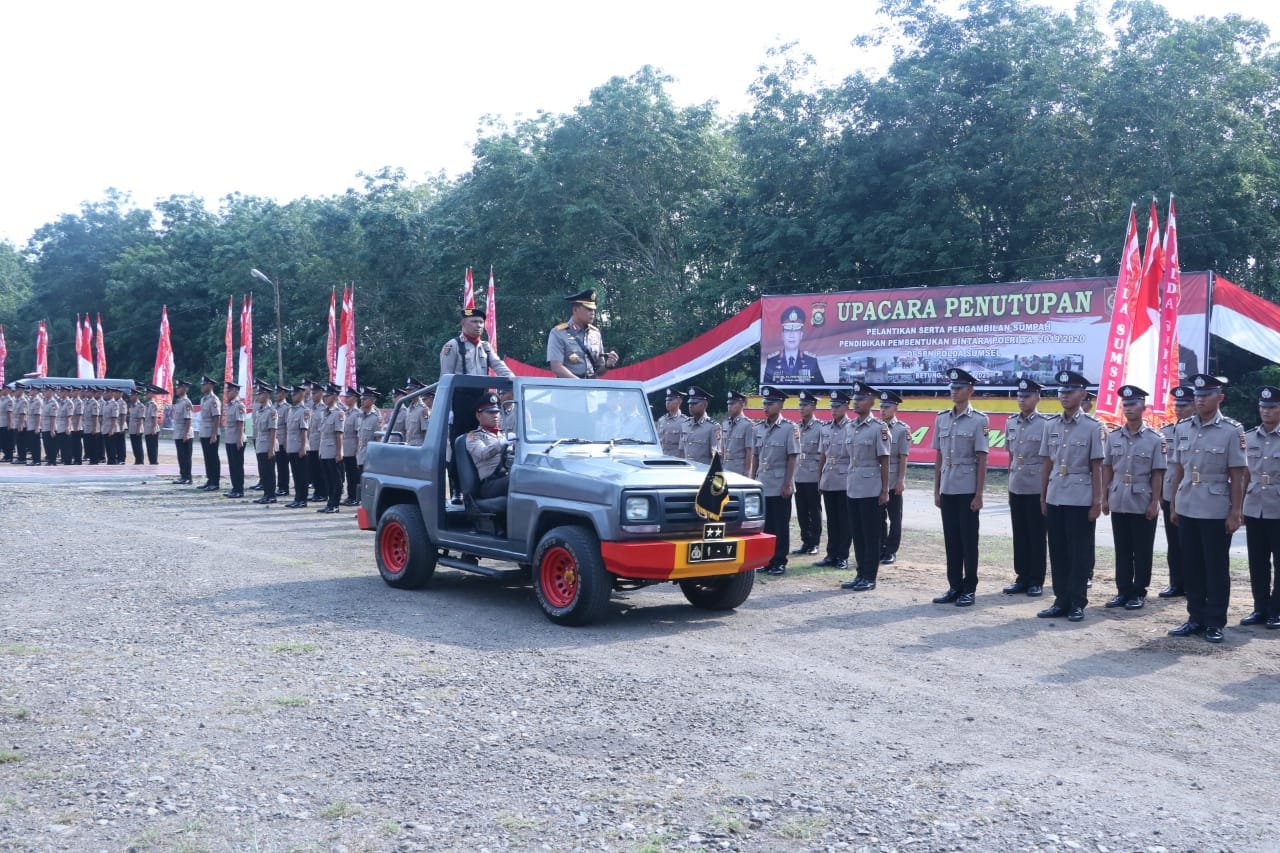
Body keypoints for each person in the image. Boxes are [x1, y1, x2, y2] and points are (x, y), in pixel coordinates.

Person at [1167, 374, 1247, 644]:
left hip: (1215, 507)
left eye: (1206, 395)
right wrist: (1174, 503)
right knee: (1191, 565)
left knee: (1215, 567)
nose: (1200, 400)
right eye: (1197, 396)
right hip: (1187, 502)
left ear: (1220, 397)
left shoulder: (1231, 430)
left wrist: (1236, 511)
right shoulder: (1183, 428)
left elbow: (1238, 475)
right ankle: (1195, 617)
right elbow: (1178, 469)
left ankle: (1215, 621)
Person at [1037, 370, 1105, 623]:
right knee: (1057, 550)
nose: (1064, 396)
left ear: (1083, 394)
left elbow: (1098, 466)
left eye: (1070, 392)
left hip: (1080, 496)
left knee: (1079, 552)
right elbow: (1046, 463)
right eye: (1061, 392)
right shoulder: (1050, 425)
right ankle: (1060, 600)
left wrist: (1097, 501)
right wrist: (1043, 496)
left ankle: (1077, 602)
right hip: (1055, 493)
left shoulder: (1093, 427)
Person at [1100, 385, 1166, 611]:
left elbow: (1158, 473)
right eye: (1125, 405)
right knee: (1123, 548)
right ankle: (1123, 590)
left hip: (1142, 497)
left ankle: (1139, 592)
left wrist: (1155, 501)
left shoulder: (1155, 439)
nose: (1128, 408)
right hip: (1119, 496)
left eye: (1133, 404)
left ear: (1144, 408)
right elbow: (1107, 467)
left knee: (1142, 549)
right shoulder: (1114, 436)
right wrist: (1105, 496)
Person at [932, 368, 989, 607]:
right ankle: (954, 585)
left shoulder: (979, 420)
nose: (954, 392)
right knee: (951, 539)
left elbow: (982, 459)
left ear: (970, 390)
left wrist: (979, 494)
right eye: (952, 388)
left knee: (968, 541)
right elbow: (938, 456)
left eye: (959, 388)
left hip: (967, 488)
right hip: (947, 486)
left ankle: (969, 588)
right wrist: (936, 490)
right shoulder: (941, 418)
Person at [840, 381, 891, 590]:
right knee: (857, 533)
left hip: (871, 486)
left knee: (871, 535)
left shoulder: (879, 428)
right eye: (855, 399)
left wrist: (885, 489)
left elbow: (885, 461)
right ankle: (860, 574)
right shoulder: (850, 427)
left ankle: (870, 576)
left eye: (861, 399)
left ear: (871, 402)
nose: (856, 402)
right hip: (853, 484)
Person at [1004, 378, 1049, 596]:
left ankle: (1036, 579)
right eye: (1019, 396)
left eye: (1027, 396)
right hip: (1017, 485)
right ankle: (1021, 576)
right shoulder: (1011, 422)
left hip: (1036, 486)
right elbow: (1011, 456)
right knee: (1019, 533)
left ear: (1037, 397)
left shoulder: (1046, 424)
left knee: (1036, 534)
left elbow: (1049, 459)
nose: (1022, 400)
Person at [1242, 385, 1280, 629]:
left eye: (1272, 407)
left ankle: (1276, 610)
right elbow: (1244, 474)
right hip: (1254, 505)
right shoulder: (1249, 437)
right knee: (1257, 561)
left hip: (1278, 507)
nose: (1266, 411)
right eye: (1263, 407)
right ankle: (1260, 608)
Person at [751, 386, 800, 575]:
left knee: (781, 525)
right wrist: (753, 479)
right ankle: (766, 560)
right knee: (766, 525)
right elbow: (756, 456)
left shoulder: (789, 428)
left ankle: (779, 561)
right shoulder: (759, 428)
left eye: (770, 403)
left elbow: (792, 457)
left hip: (780, 484)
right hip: (763, 482)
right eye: (764, 403)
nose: (765, 407)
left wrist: (788, 483)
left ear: (780, 405)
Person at [1158, 385, 1194, 598]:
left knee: (1189, 544)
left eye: (1184, 405)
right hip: (1169, 493)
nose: (1179, 409)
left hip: (1191, 493)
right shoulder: (1167, 432)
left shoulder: (1196, 431)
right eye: (1177, 405)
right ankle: (1176, 583)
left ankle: (1192, 584)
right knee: (1173, 543)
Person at [815, 390, 854, 571]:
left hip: (845, 478)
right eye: (832, 407)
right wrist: (819, 477)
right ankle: (831, 554)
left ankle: (842, 556)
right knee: (831, 520)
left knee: (844, 520)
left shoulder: (852, 427)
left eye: (837, 407)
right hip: (829, 478)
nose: (833, 410)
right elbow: (822, 454)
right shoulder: (825, 428)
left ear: (846, 407)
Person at [547, 288, 619, 379]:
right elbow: (556, 367)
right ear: (575, 310)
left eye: (593, 309)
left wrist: (608, 365)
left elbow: (599, 371)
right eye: (589, 309)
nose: (593, 313)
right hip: (567, 390)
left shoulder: (595, 334)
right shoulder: (558, 333)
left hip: (590, 390)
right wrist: (580, 385)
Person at [878, 389, 911, 565]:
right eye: (881, 407)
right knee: (878, 518)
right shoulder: (875, 426)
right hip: (876, 480)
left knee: (895, 518)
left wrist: (900, 480)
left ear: (895, 408)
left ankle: (891, 550)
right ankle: (880, 547)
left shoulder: (901, 429)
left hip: (892, 480)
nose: (883, 410)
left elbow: (903, 457)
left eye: (887, 407)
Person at [791, 390, 824, 556]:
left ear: (813, 407)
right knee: (801, 510)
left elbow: (821, 455)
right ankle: (805, 541)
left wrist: (820, 479)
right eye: (800, 405)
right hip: (798, 474)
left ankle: (815, 542)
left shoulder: (820, 428)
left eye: (805, 405)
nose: (801, 408)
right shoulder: (796, 427)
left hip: (812, 475)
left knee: (814, 510)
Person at [440, 306, 514, 378]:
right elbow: (446, 375)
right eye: (474, 322)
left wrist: (513, 380)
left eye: (481, 322)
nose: (479, 325)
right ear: (463, 323)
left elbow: (498, 365)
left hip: (481, 389)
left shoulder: (485, 347)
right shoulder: (453, 345)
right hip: (459, 390)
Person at [762, 305, 825, 384]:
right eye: (788, 331)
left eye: (796, 331)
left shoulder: (811, 360)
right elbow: (767, 388)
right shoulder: (772, 360)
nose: (791, 335)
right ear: (782, 335)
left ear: (801, 335)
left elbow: (821, 389)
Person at [467, 392, 513, 499]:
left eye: (497, 412)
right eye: (490, 412)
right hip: (490, 484)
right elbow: (483, 453)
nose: (495, 415)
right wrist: (501, 443)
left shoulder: (503, 434)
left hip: (507, 476)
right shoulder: (473, 436)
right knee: (517, 480)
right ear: (478, 415)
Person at [315, 384, 346, 513]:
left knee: (335, 478)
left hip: (333, 449)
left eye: (327, 396)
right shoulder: (325, 413)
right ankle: (329, 502)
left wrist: (339, 452)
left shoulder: (338, 413)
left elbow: (339, 434)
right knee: (327, 478)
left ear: (334, 397)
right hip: (324, 450)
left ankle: (335, 504)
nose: (325, 398)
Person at [351, 387, 384, 504]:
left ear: (372, 400)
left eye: (365, 399)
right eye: (362, 398)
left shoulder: (376, 418)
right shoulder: (360, 416)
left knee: (369, 486)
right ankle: (362, 506)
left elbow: (378, 440)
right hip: (361, 455)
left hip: (370, 457)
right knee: (361, 483)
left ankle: (369, 506)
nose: (362, 401)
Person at [284, 384, 312, 508]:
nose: (292, 396)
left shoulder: (304, 410)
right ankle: (297, 497)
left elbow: (303, 430)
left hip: (300, 447)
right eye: (291, 394)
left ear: (301, 395)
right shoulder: (291, 410)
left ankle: (303, 499)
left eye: (295, 394)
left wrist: (303, 446)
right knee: (295, 474)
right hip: (292, 446)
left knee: (302, 474)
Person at [251, 384, 278, 504]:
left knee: (269, 471)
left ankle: (271, 495)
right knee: (263, 470)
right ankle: (266, 494)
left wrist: (271, 448)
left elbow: (273, 430)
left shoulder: (271, 411)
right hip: (261, 443)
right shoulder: (260, 411)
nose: (258, 396)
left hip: (268, 443)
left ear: (266, 395)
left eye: (260, 394)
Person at [681, 387, 722, 466]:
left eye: (694, 403)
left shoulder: (713, 427)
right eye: (690, 403)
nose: (690, 406)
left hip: (702, 473)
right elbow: (680, 452)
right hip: (686, 471)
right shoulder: (685, 425)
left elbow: (715, 456)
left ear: (704, 404)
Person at [221, 381, 247, 498]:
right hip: (230, 438)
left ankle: (239, 489)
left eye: (229, 391)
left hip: (237, 439)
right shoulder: (230, 405)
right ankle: (234, 487)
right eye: (226, 391)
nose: (227, 393)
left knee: (237, 465)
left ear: (236, 392)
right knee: (232, 465)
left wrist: (239, 439)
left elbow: (240, 423)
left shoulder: (239, 405)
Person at [720, 391, 755, 476]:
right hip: (725, 468)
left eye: (733, 404)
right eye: (728, 404)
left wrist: (747, 471)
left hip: (739, 470)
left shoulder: (747, 424)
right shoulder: (725, 423)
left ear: (741, 404)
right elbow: (722, 448)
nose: (729, 406)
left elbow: (749, 451)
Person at [196, 376, 222, 490]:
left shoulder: (214, 400)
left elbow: (216, 417)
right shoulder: (203, 399)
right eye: (202, 384)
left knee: (213, 457)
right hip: (204, 431)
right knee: (207, 457)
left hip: (211, 432)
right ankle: (209, 479)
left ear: (210, 385)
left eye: (204, 384)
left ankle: (215, 482)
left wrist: (214, 434)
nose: (202, 386)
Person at [340, 386, 362, 505]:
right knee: (348, 474)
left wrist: (358, 451)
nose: (345, 399)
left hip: (353, 448)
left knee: (355, 475)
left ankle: (355, 497)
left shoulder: (357, 414)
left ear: (354, 399)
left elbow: (359, 434)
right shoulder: (347, 413)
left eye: (348, 397)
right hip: (346, 448)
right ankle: (350, 495)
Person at [171, 379, 194, 484]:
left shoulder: (186, 402)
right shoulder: (179, 401)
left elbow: (188, 419)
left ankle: (188, 477)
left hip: (185, 433)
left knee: (186, 456)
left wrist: (185, 434)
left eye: (179, 387)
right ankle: (183, 475)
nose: (177, 389)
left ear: (184, 389)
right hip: (178, 432)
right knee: (180, 456)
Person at [655, 389, 689, 457]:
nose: (667, 402)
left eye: (670, 400)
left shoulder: (685, 422)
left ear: (679, 401)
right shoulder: (661, 420)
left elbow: (686, 447)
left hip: (676, 460)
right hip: (661, 458)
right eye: (666, 400)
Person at [273, 384, 292, 497]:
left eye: (278, 393)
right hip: (275, 440)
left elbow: (287, 426)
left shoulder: (287, 408)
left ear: (284, 394)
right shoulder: (274, 406)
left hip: (282, 440)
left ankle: (284, 487)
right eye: (275, 393)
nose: (276, 395)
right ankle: (280, 486)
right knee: (278, 465)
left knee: (283, 465)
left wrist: (285, 441)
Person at [142, 385, 161, 464]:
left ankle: (154, 461)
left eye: (147, 393)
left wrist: (153, 429)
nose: (146, 395)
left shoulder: (153, 404)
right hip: (148, 428)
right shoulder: (147, 404)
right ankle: (151, 461)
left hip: (152, 429)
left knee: (153, 447)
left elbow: (154, 417)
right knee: (149, 447)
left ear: (152, 394)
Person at [39, 386, 57, 464]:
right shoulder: (45, 401)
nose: (45, 393)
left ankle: (52, 460)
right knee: (46, 445)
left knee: (51, 445)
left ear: (52, 392)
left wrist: (52, 430)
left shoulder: (53, 403)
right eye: (45, 391)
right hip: (44, 426)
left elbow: (53, 417)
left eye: (47, 391)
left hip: (50, 426)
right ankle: (50, 459)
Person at [0, 384, 11, 462]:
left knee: (6, 441)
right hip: (1, 422)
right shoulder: (2, 399)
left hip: (5, 423)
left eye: (5, 390)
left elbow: (9, 413)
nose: (3, 391)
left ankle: (8, 456)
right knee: (2, 440)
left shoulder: (9, 400)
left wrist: (9, 424)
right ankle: (5, 455)